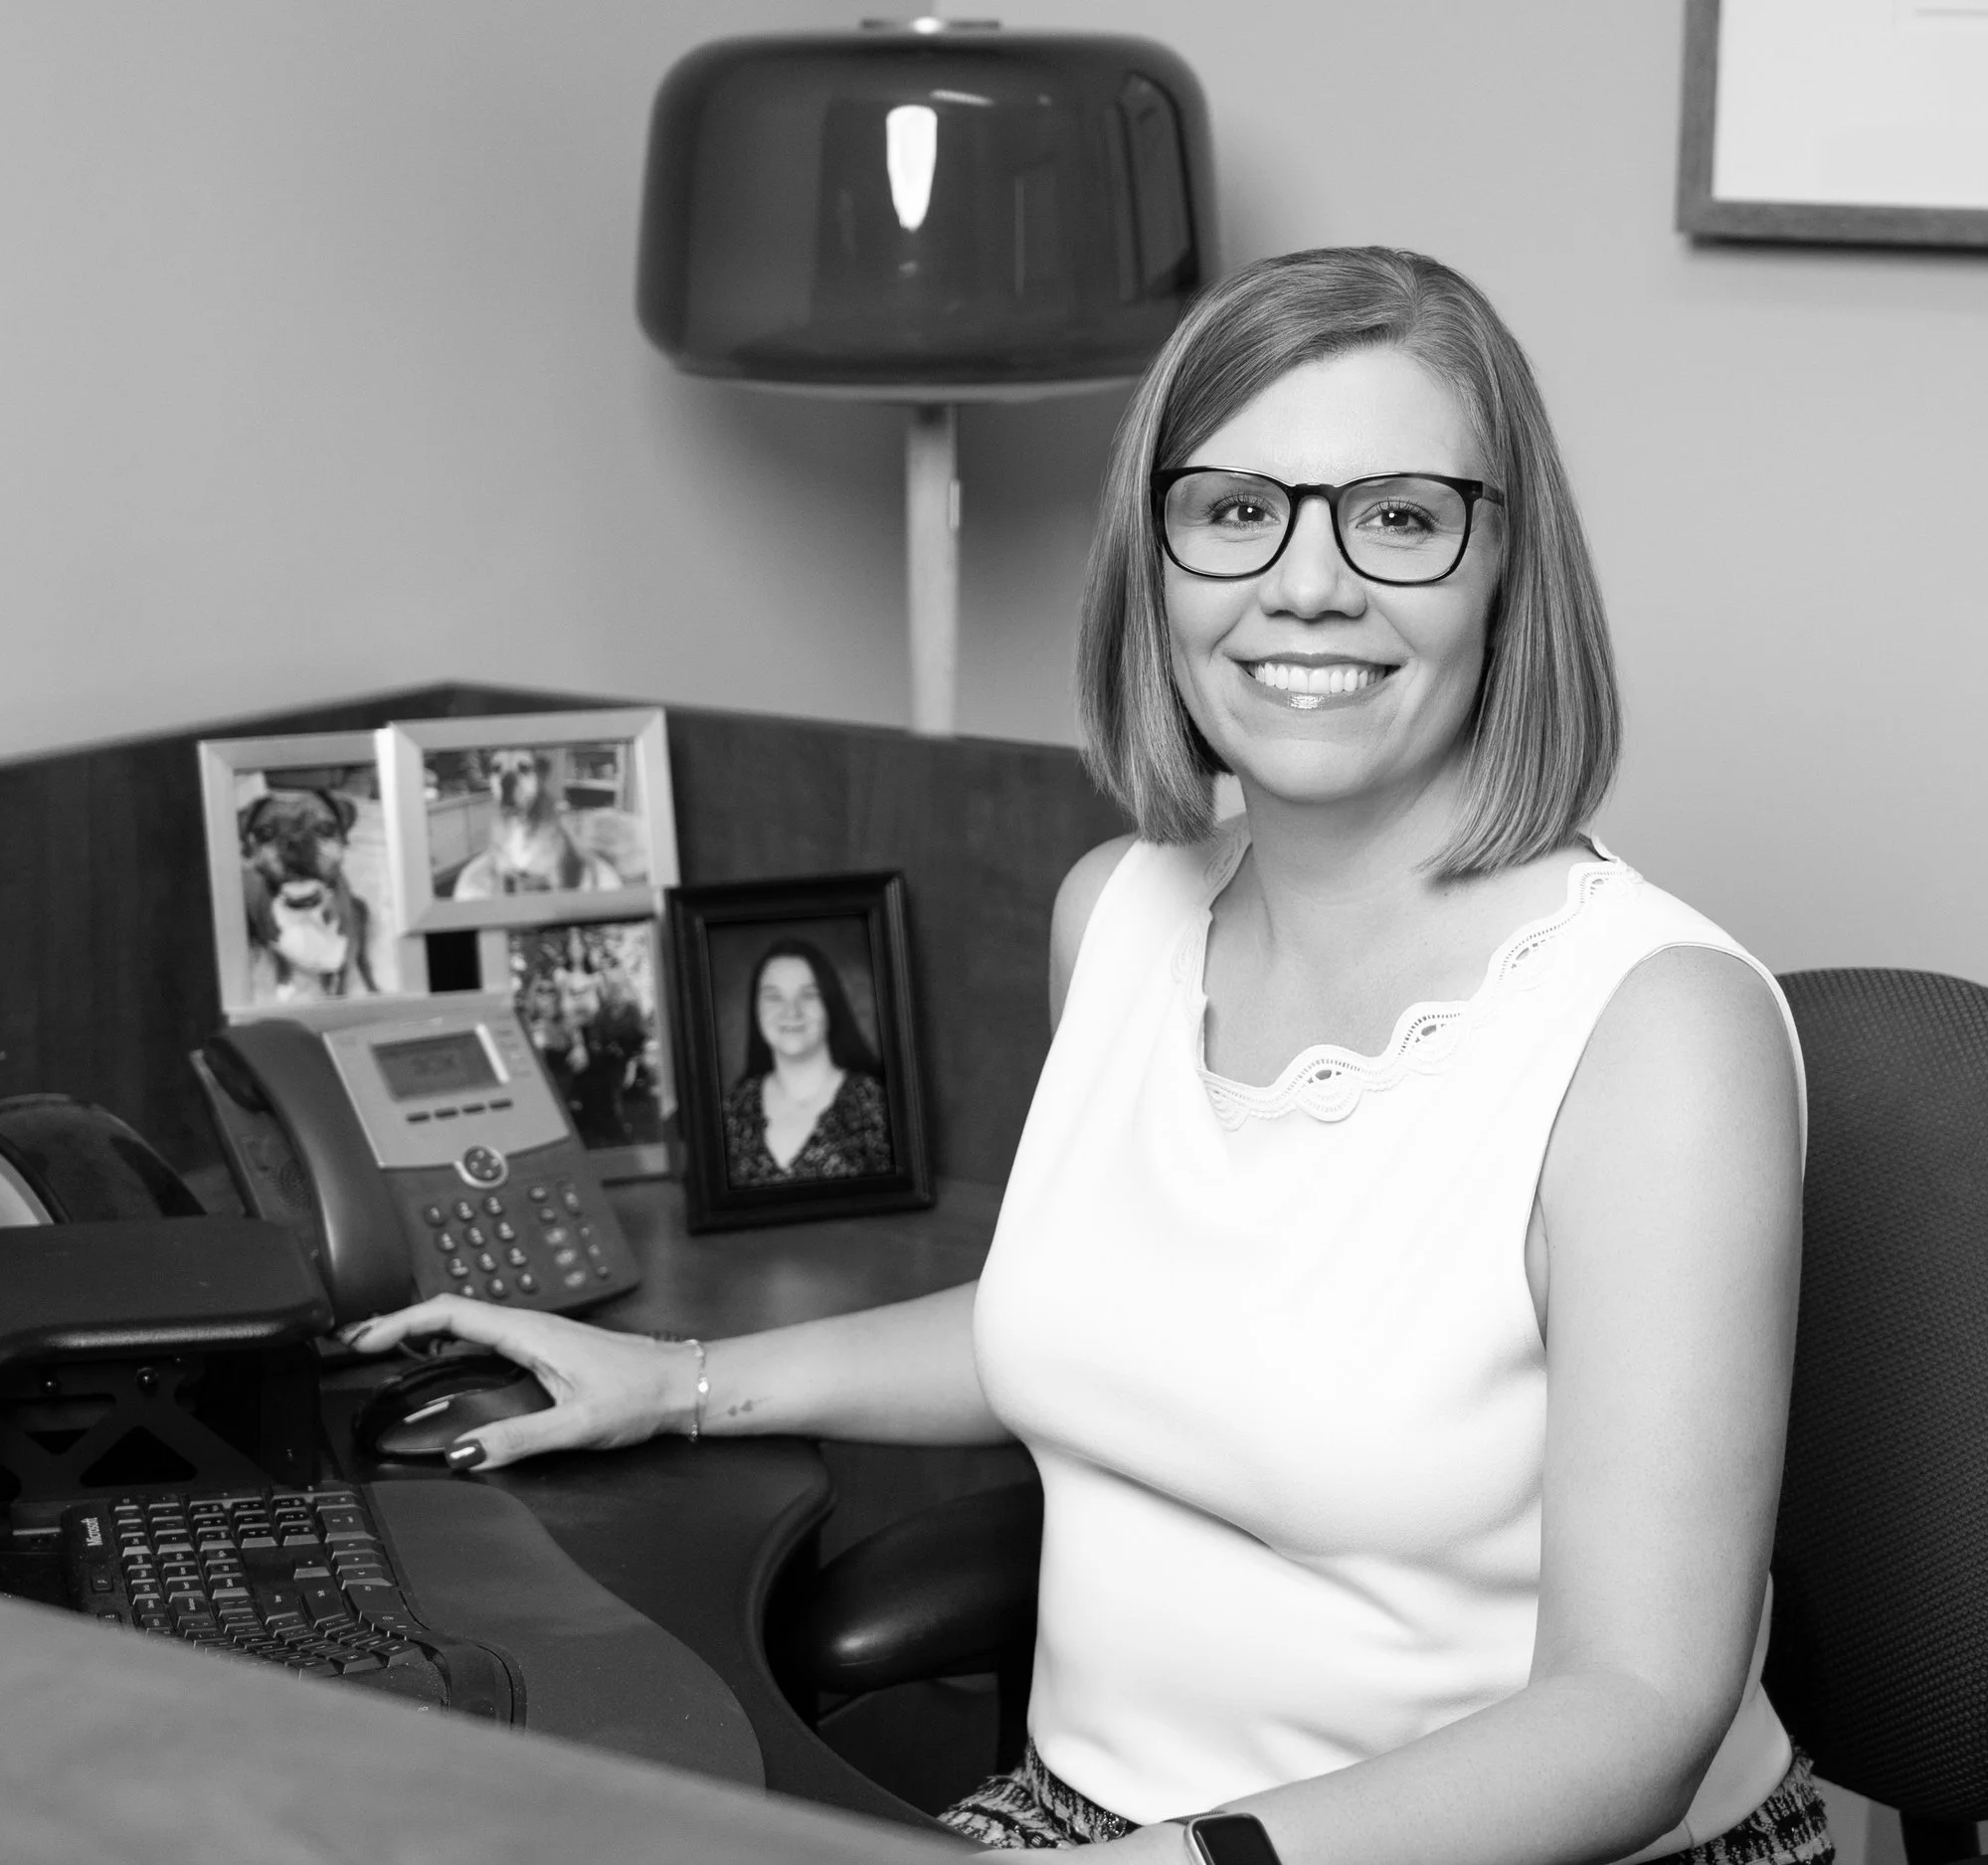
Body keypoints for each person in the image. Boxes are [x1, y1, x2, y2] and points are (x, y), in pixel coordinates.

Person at [344, 248, 1820, 1865]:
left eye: (1398, 516)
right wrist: (682, 1385)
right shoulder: (1116, 912)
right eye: (1235, 508)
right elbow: (1102, 1320)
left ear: (1504, 568)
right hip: (1098, 1817)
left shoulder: (1658, 1032)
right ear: (1158, 560)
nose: (1308, 585)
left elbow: (1635, 1714)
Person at [720, 938, 893, 1185]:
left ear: (830, 1005)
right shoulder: (733, 1109)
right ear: (755, 1009)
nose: (791, 1011)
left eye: (809, 995)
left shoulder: (876, 1102)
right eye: (774, 997)